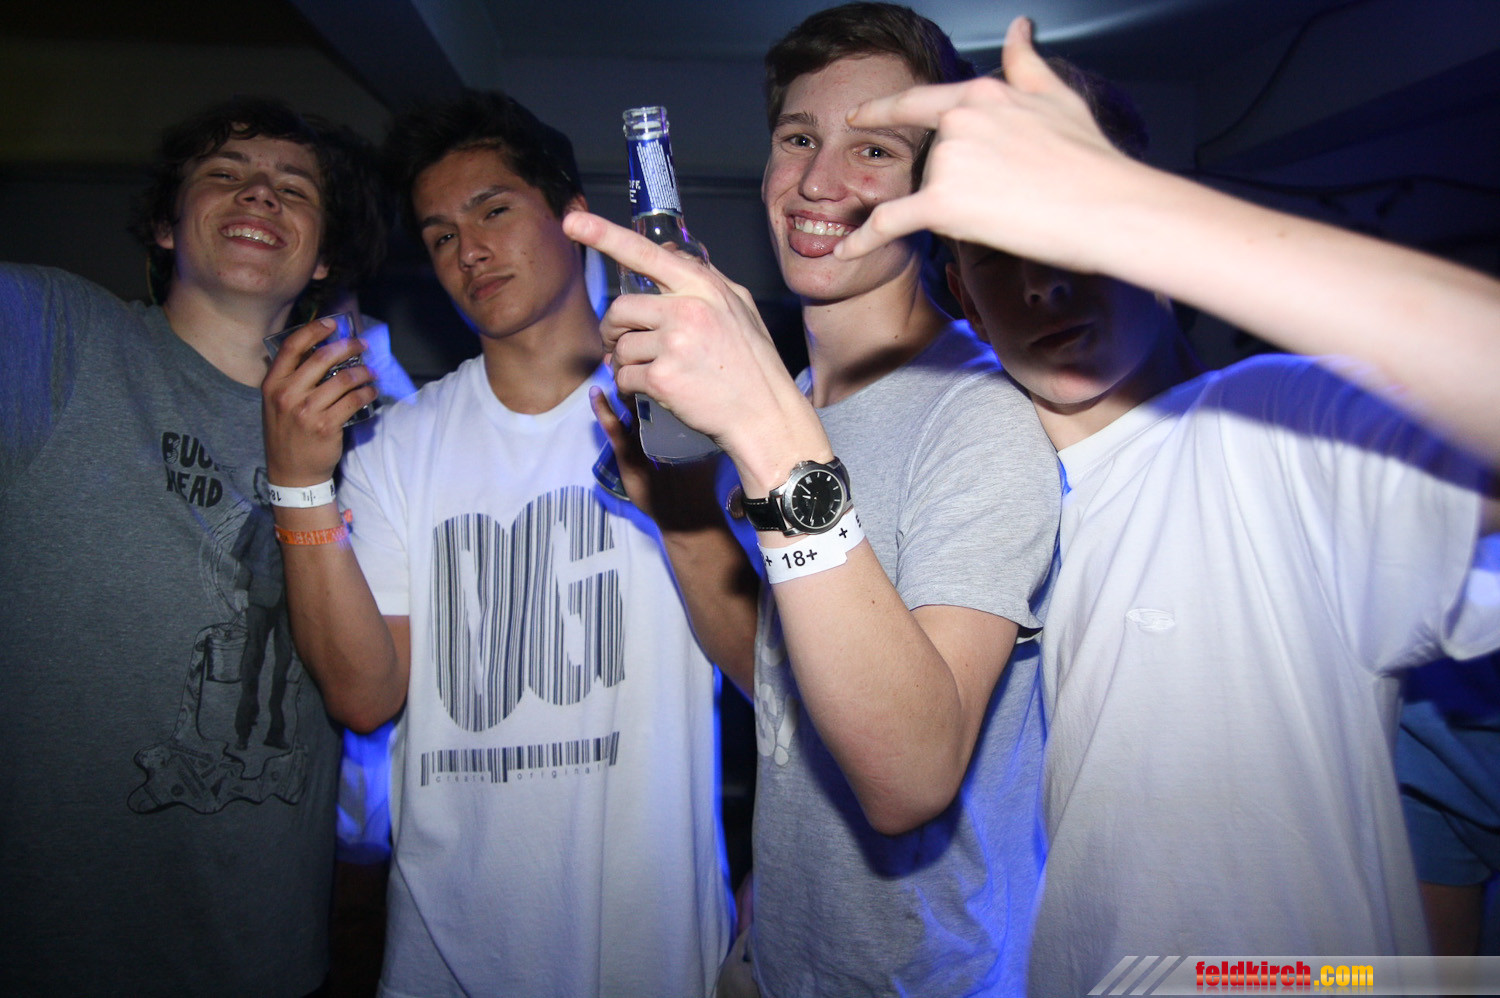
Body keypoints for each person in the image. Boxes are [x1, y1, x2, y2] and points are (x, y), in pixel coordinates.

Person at [837, 16, 1500, 994]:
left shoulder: (1269, 430)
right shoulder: (974, 490)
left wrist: (1140, 211)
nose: (1045, 281)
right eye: (997, 252)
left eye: (1073, 228)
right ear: (962, 294)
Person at [564, 4, 1060, 994]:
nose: (819, 182)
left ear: (934, 190)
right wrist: (681, 514)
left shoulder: (980, 417)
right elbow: (785, 692)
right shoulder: (786, 399)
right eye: (799, 138)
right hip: (787, 958)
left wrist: (761, 429)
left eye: (873, 149)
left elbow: (910, 777)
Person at [260, 90, 731, 998]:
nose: (468, 250)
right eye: (440, 235)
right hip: (447, 956)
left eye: (493, 211)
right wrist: (299, 483)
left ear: (572, 216)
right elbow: (364, 697)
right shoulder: (397, 445)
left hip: (651, 954)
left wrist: (683, 499)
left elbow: (770, 675)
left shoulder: (685, 416)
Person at [0, 96, 385, 996]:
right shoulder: (54, 336)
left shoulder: (374, 438)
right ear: (167, 226)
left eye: (294, 188)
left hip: (262, 951)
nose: (259, 193)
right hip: (50, 946)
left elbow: (369, 697)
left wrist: (306, 478)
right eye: (225, 174)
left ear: (322, 258)